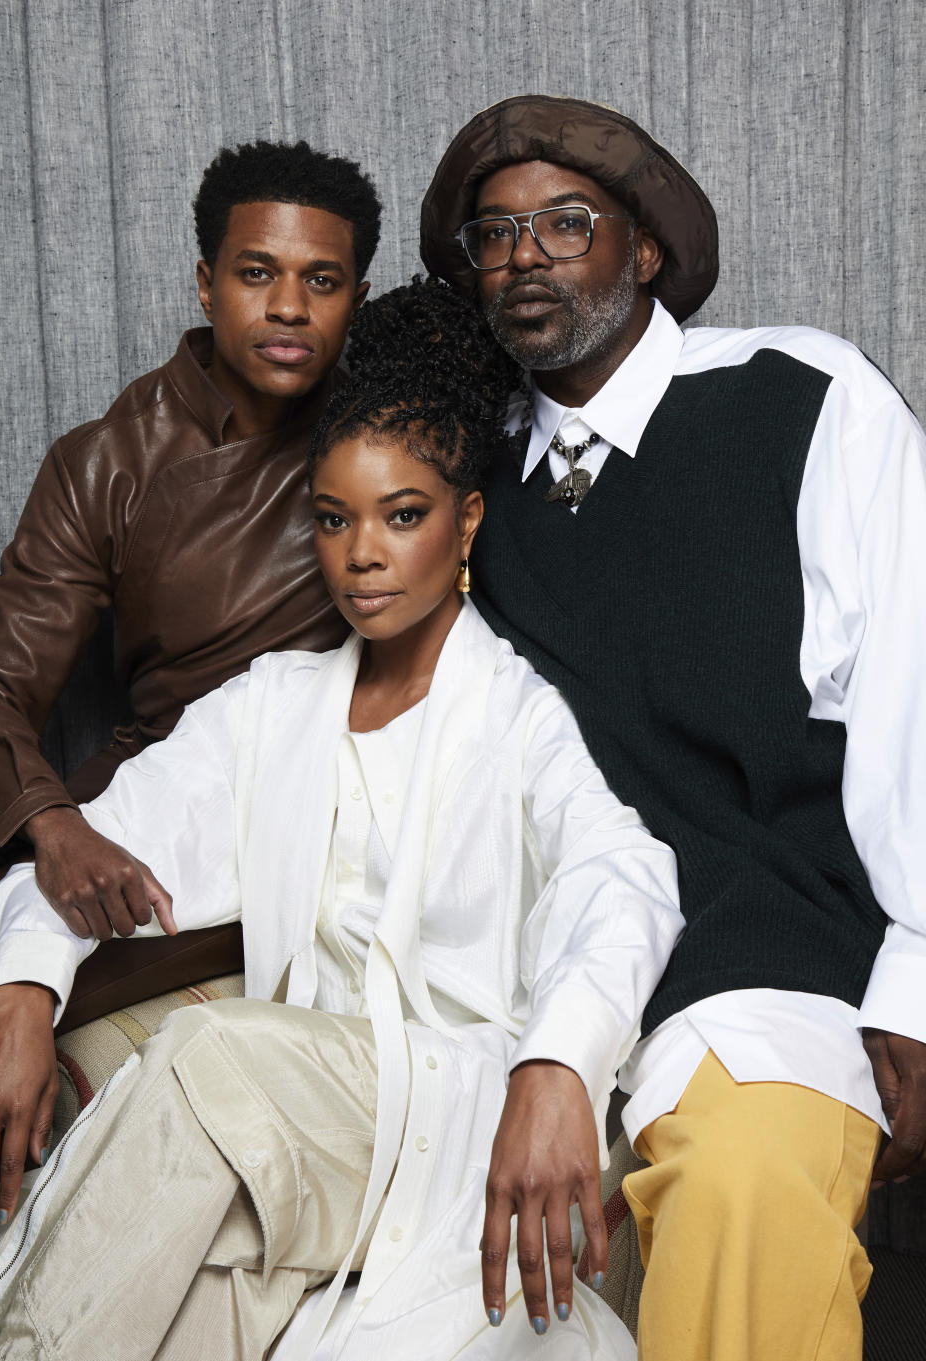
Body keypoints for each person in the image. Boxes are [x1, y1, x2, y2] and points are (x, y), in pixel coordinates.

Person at [0, 278, 682, 1360]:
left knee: (210, 1058)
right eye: (334, 519)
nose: (362, 554)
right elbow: (111, 845)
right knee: (198, 1294)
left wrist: (561, 1063)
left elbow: (624, 875)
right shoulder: (272, 706)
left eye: (403, 516)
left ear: (466, 517)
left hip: (452, 1100)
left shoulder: (518, 714)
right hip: (302, 1126)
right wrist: (22, 984)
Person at [419, 94, 926, 1361]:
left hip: (773, 958)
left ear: (645, 251)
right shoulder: (464, 493)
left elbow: (914, 690)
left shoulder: (801, 397)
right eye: (494, 234)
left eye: (565, 222)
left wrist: (917, 983)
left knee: (747, 1187)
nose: (524, 254)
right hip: (548, 979)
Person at [0, 138, 379, 958]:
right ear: (205, 285)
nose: (289, 307)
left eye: (321, 281)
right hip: (155, 808)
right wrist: (56, 829)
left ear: (357, 300)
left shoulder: (392, 438)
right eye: (256, 273)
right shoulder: (107, 463)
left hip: (344, 817)